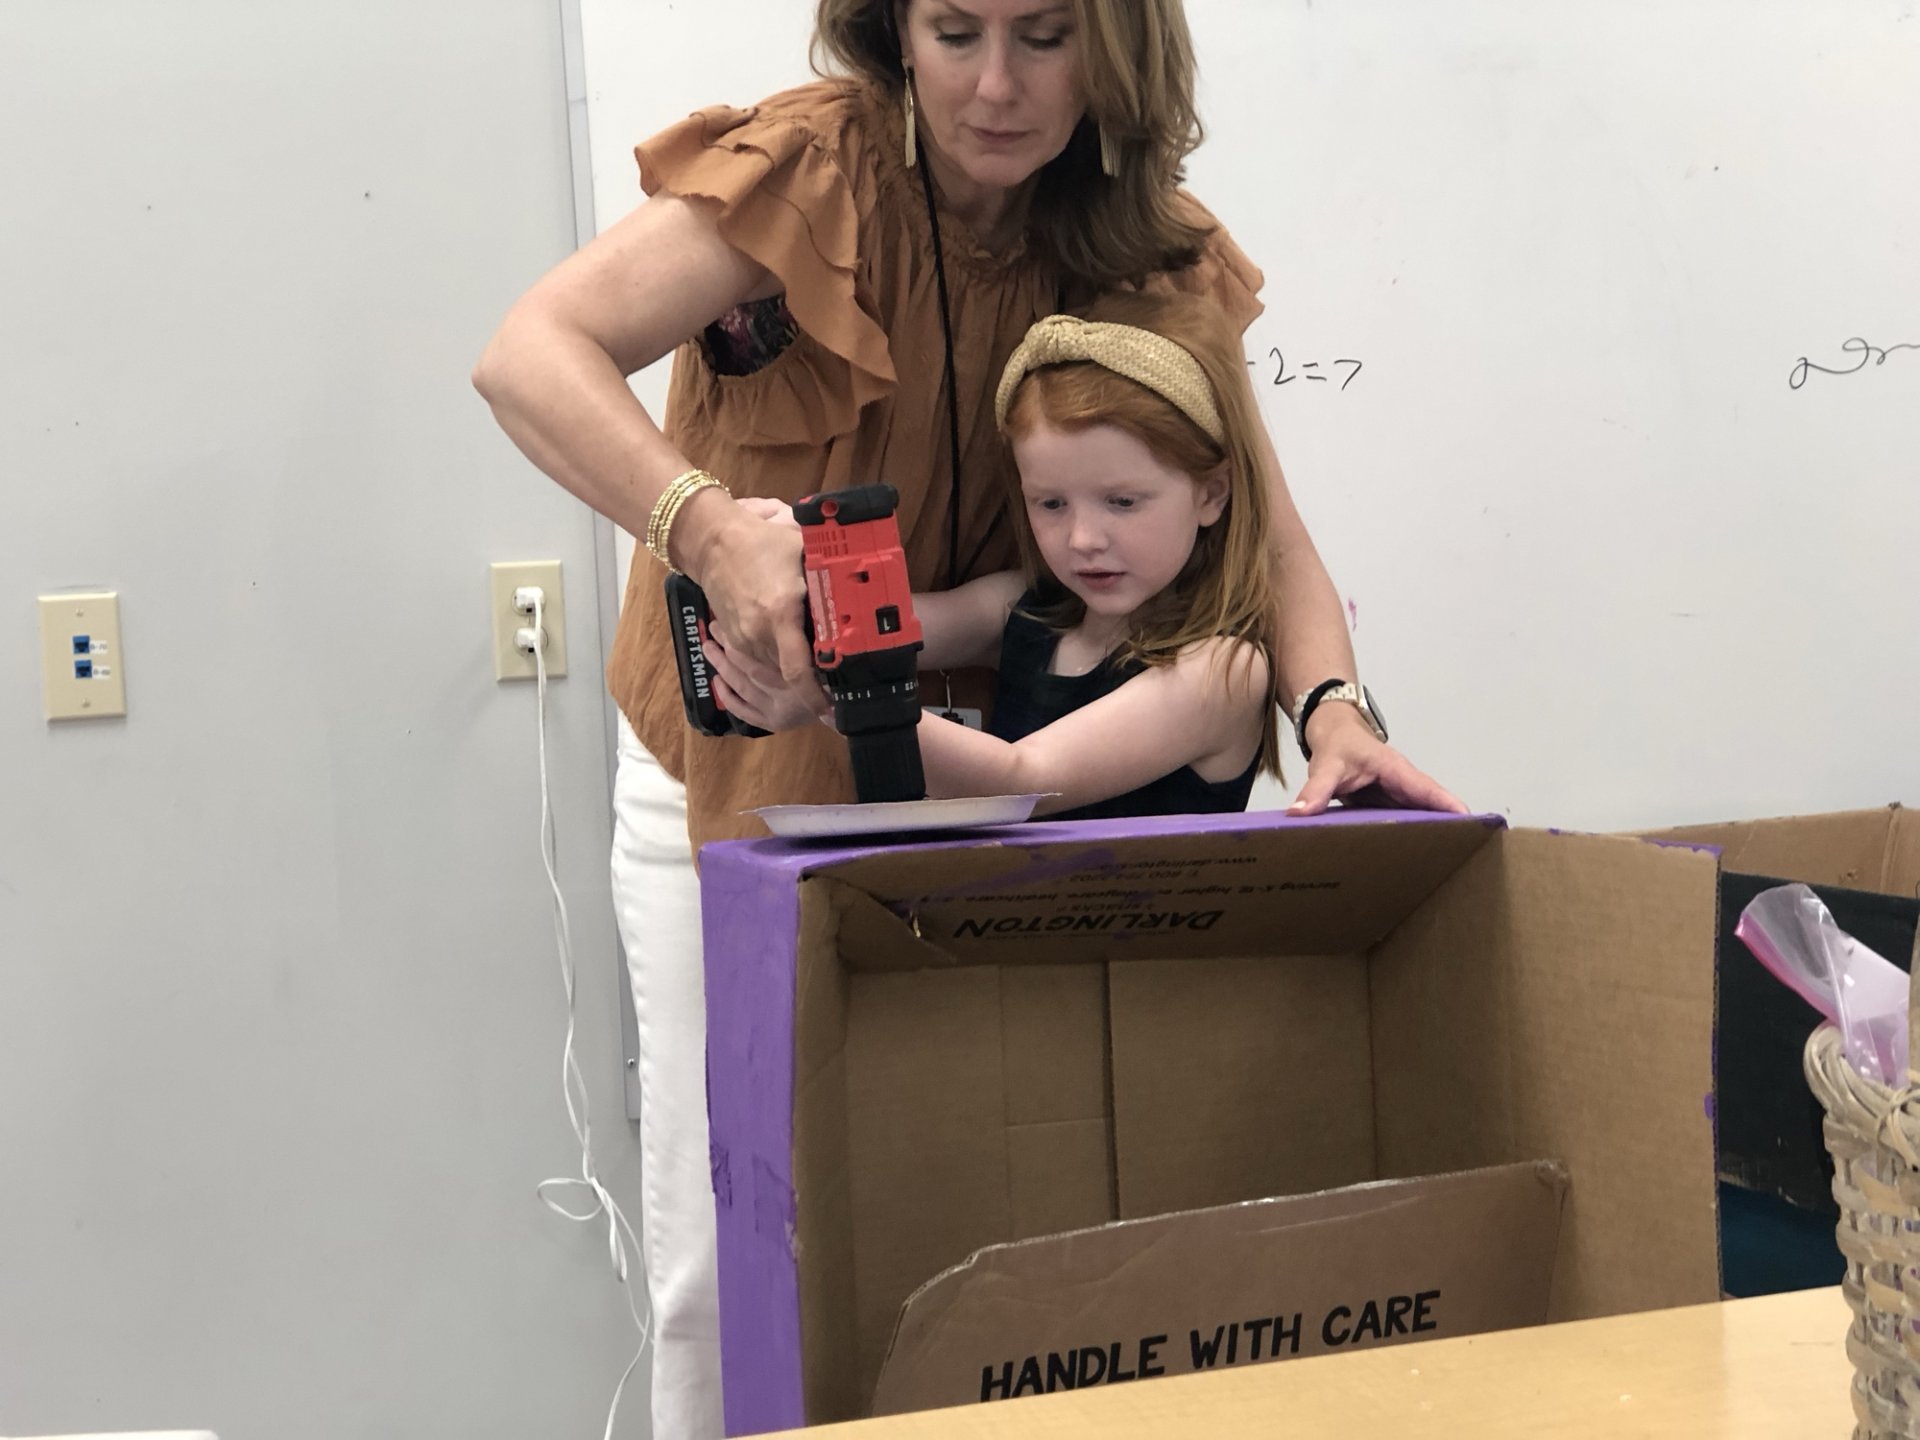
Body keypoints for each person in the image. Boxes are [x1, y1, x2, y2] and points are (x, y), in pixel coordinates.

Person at [471, 2, 1464, 1433]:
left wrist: (1331, 709)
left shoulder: (1141, 236)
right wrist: (694, 522)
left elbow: (1267, 514)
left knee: (970, 1223)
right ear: (895, 28)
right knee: (727, 1253)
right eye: (955, 29)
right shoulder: (804, 175)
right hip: (742, 775)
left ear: (1114, 50)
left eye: (1047, 35)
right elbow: (531, 353)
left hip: (977, 796)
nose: (996, 85)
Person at [718, 291, 1290, 822]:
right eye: (1051, 503)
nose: (1084, 538)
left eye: (1122, 501)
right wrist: (788, 550)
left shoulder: (1224, 670)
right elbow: (875, 627)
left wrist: (830, 703)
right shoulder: (1024, 609)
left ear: (1211, 494)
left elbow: (1023, 780)